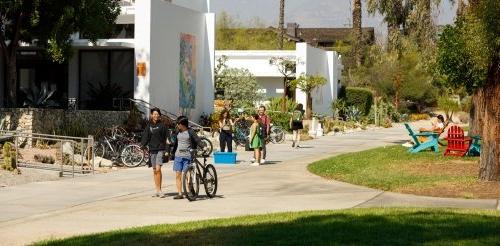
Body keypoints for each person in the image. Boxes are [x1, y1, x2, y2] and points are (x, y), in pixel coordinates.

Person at [170, 116, 204, 199]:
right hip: (178, 156)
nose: (177, 125)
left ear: (183, 124)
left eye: (178, 124)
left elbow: (197, 140)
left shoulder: (190, 131)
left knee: (188, 175)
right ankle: (180, 193)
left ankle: (190, 191)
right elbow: (174, 142)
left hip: (188, 156)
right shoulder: (177, 131)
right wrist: (171, 150)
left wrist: (204, 146)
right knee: (178, 174)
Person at [141, 108, 169, 198]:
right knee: (154, 170)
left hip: (160, 149)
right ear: (151, 115)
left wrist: (167, 150)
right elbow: (145, 137)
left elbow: (167, 138)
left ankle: (160, 190)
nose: (156, 115)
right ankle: (157, 190)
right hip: (152, 150)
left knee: (158, 169)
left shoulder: (163, 126)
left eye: (157, 114)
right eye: (154, 114)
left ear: (159, 115)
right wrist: (143, 145)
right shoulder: (149, 126)